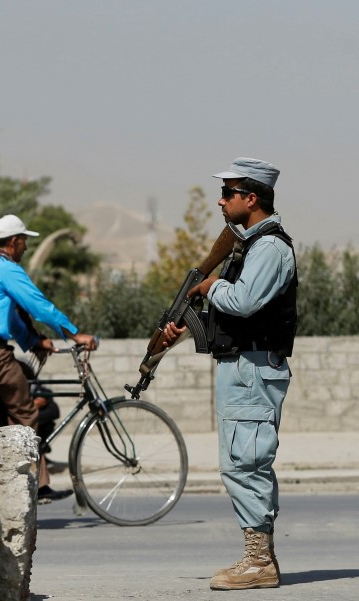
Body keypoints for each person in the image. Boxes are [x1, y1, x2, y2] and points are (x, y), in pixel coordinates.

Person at [163, 158, 296, 590]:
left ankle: (259, 564)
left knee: (247, 463)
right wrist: (184, 321)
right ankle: (259, 558)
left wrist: (210, 286)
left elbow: (242, 302)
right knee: (240, 463)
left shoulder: (271, 248)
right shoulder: (248, 247)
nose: (221, 201)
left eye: (229, 193)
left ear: (251, 198)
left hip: (254, 369)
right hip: (242, 367)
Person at [0, 214, 97, 502]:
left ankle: (28, 474)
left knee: (17, 391)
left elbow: (11, 317)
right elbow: (38, 306)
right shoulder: (8, 270)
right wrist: (74, 334)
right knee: (27, 414)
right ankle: (20, 488)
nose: (26, 248)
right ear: (13, 241)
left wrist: (34, 341)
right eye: (23, 242)